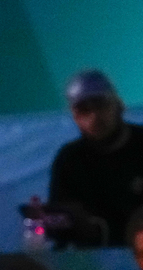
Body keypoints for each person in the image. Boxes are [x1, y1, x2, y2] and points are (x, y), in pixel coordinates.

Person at [48, 69, 143, 246]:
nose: (94, 117)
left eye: (100, 105)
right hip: (97, 262)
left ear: (119, 105)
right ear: (75, 117)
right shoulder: (70, 159)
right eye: (83, 110)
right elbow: (57, 224)